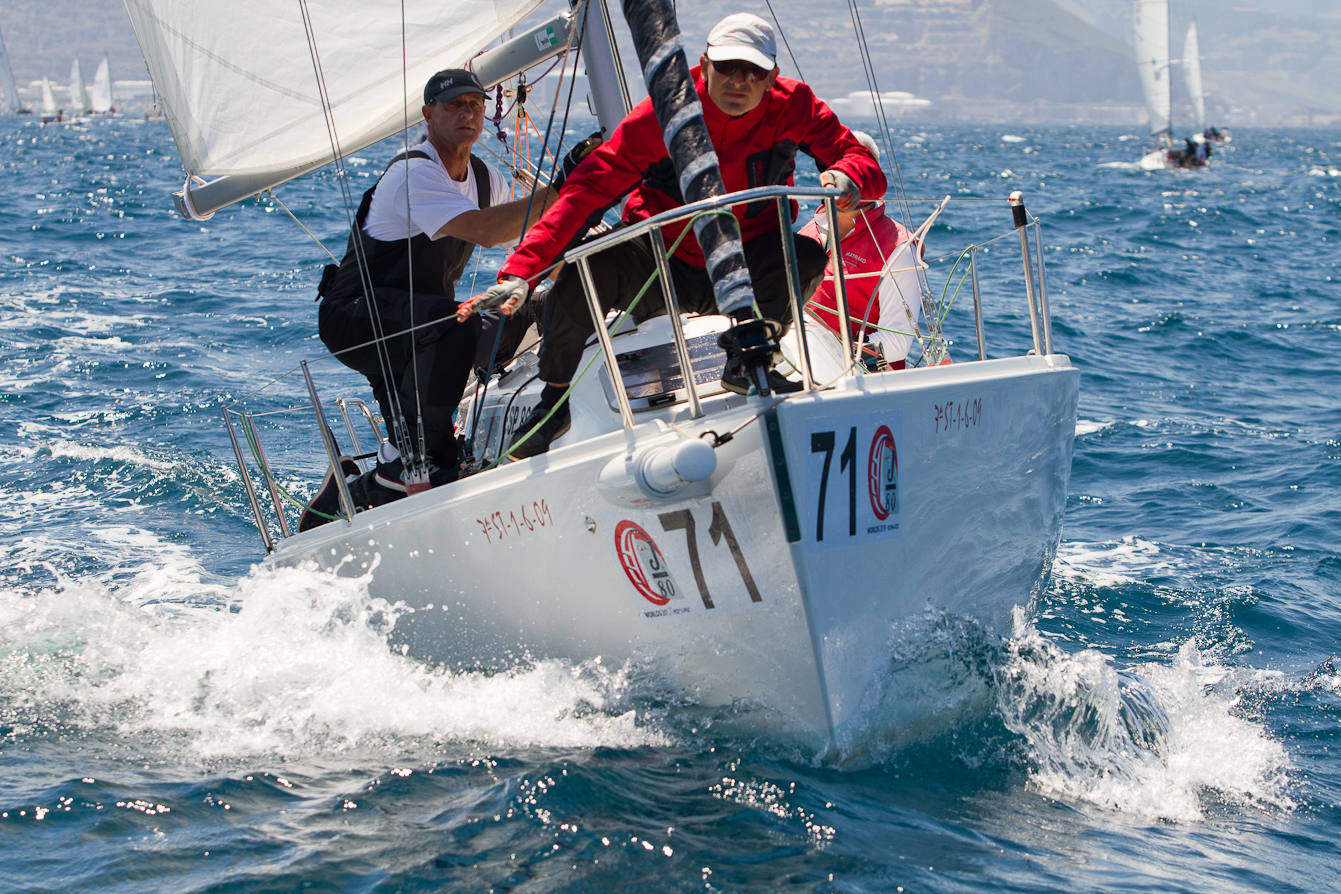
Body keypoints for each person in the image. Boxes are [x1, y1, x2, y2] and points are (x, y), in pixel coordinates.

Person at [458, 12, 885, 459]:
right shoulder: (664, 112)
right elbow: (586, 193)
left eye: (753, 72)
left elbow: (859, 158)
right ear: (704, 63)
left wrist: (846, 177)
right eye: (728, 68)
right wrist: (521, 271)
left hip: (747, 262)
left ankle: (752, 356)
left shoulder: (794, 106)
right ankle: (554, 401)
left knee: (806, 255)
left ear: (772, 76)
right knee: (586, 268)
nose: (739, 81)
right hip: (662, 260)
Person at [300, 68, 554, 530]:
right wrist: (561, 190)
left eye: (475, 105)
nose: (467, 113)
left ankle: (356, 489)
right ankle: (420, 460)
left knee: (518, 312)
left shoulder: (483, 178)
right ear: (427, 115)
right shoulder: (413, 174)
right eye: (454, 105)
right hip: (355, 318)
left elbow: (525, 236)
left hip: (413, 324)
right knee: (456, 326)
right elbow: (489, 230)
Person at [798, 132, 923, 370]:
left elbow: (897, 342)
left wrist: (828, 353)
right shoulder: (809, 231)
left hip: (854, 378)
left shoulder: (897, 249)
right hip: (798, 363)